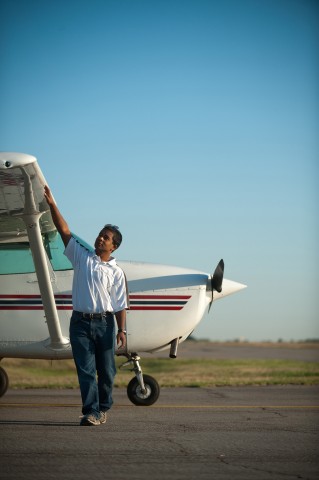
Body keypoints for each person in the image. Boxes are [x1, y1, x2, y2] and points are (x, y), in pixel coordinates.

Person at [44, 185, 127, 426]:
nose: (101, 238)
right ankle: (91, 412)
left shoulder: (116, 272)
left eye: (107, 237)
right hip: (79, 323)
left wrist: (121, 330)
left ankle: (103, 408)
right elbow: (64, 230)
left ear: (114, 246)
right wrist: (52, 204)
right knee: (86, 370)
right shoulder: (81, 257)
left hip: (105, 324)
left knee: (107, 372)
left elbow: (121, 304)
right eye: (101, 234)